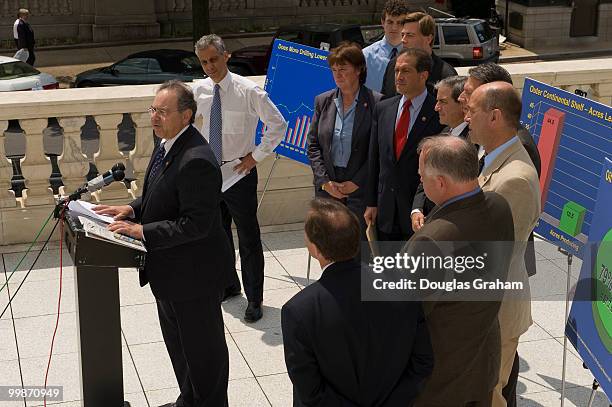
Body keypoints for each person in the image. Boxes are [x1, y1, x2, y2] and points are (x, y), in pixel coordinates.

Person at [94, 80, 233, 407]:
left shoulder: (196, 159)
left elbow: (195, 224)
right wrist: (131, 209)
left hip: (194, 279)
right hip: (170, 275)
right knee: (182, 352)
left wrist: (140, 231)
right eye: (153, 110)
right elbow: (161, 196)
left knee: (204, 358)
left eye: (163, 112)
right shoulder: (167, 144)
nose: (154, 118)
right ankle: (188, 400)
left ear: (186, 116)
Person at [282, 198, 434, 407]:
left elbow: (310, 390)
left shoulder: (299, 311)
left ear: (315, 249)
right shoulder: (402, 285)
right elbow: (422, 363)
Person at [406, 135, 515, 407]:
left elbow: (404, 317)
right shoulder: (501, 207)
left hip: (439, 382)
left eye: (422, 176)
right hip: (482, 365)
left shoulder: (431, 241)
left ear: (441, 182)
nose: (420, 180)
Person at [458, 63, 542, 407]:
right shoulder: (490, 158)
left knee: (489, 396)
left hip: (495, 311)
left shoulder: (514, 179)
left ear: (494, 117)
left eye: (472, 111)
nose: (466, 117)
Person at [192, 34, 288, 323]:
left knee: (248, 238)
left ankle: (255, 299)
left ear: (226, 56)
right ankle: (228, 285)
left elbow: (278, 124)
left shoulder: (248, 91)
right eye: (204, 62)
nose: (210, 66)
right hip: (210, 174)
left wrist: (255, 157)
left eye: (214, 59)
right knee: (216, 235)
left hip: (239, 173)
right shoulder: (199, 91)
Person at [365, 48, 444, 241]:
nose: (399, 76)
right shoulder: (383, 108)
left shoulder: (438, 114)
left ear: (423, 75)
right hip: (384, 213)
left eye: (406, 71)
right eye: (396, 71)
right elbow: (374, 158)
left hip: (418, 216)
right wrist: (371, 202)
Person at [307, 42, 382, 238]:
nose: (338, 75)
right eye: (334, 70)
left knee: (357, 246)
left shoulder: (377, 103)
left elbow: (379, 150)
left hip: (360, 188)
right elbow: (313, 145)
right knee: (329, 242)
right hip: (328, 186)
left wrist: (357, 182)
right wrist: (325, 182)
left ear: (358, 70)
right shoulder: (323, 101)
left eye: (343, 69)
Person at [411, 75, 468, 231]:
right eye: (437, 101)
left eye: (443, 102)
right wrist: (417, 209)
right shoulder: (444, 132)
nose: (436, 107)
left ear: (463, 104)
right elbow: (426, 175)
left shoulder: (472, 143)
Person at [381, 12, 457, 98]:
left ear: (428, 39)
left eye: (410, 35)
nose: (403, 40)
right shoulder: (393, 65)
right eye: (402, 35)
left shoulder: (446, 74)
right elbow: (386, 104)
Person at [362, 0, 409, 93]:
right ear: (382, 22)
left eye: (400, 23)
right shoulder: (366, 56)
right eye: (390, 22)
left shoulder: (413, 55)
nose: (394, 27)